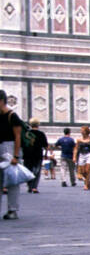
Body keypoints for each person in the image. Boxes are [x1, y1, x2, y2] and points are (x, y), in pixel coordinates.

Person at [0, 91, 25, 219]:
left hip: (9, 147)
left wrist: (16, 156)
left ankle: (12, 210)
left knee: (12, 180)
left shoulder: (12, 116)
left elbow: (18, 136)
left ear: (1, 101)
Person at [21, 118, 47, 193]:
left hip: (27, 155)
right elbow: (45, 146)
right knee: (37, 171)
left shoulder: (26, 133)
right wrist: (46, 154)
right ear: (38, 125)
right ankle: (34, 187)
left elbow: (23, 144)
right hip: (38, 155)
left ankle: (29, 186)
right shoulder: (41, 134)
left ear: (30, 124)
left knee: (28, 170)